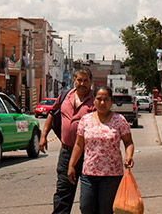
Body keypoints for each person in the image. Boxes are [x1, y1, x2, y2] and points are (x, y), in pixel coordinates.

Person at [67, 86, 134, 214]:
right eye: (99, 99)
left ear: (111, 101)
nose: (102, 103)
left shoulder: (120, 120)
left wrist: (129, 156)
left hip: (111, 175)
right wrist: (71, 165)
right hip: (89, 174)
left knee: (105, 210)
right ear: (94, 100)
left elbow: (128, 142)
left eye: (106, 99)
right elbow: (79, 145)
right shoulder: (85, 120)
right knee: (85, 207)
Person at [40, 67, 96, 213]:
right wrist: (43, 136)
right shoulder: (65, 95)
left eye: (85, 81)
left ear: (90, 82)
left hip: (88, 155)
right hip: (66, 152)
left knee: (89, 198)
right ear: (74, 80)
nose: (82, 84)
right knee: (63, 193)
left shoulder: (96, 100)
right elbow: (52, 114)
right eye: (79, 80)